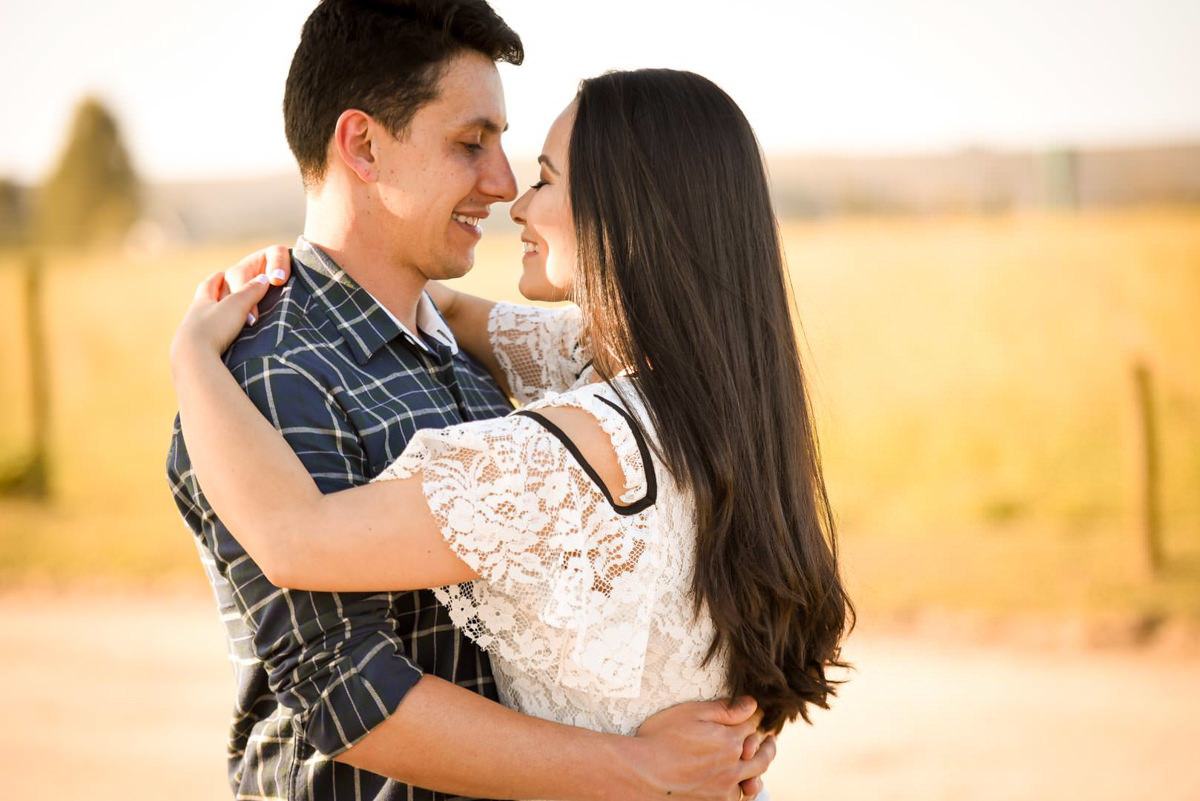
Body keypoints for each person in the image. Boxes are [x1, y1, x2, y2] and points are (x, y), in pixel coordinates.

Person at [171, 61, 853, 798]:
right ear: (361, 146)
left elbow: (296, 539)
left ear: (628, 214)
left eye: (545, 178)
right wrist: (345, 262)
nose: (511, 196)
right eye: (473, 144)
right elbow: (469, 316)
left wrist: (190, 354)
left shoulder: (573, 451)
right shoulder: (712, 389)